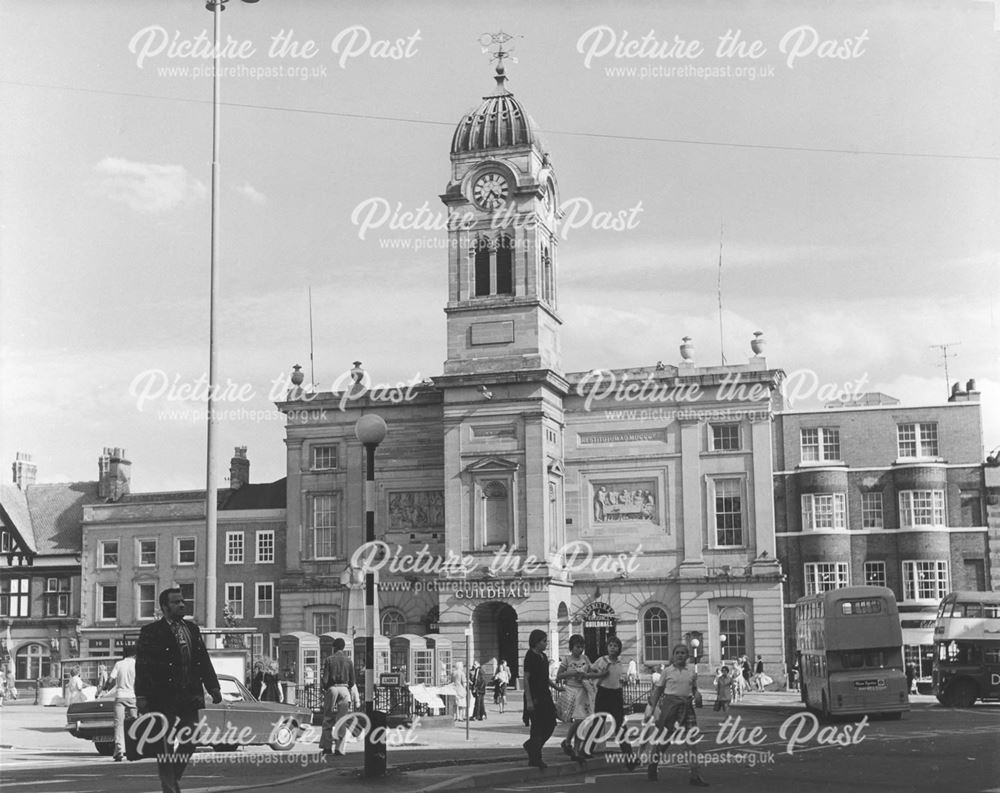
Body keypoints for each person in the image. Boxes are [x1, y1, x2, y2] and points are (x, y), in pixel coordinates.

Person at [135, 587, 222, 793]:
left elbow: (202, 660)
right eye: (176, 602)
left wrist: (213, 686)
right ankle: (170, 787)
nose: (182, 604)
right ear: (164, 607)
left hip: (189, 695)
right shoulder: (151, 632)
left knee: (190, 738)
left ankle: (171, 778)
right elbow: (143, 666)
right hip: (162, 696)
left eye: (182, 601)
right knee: (164, 744)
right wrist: (141, 696)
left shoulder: (192, 629)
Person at [644, 644, 708, 786]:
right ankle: (653, 765)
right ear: (673, 655)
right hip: (670, 708)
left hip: (687, 707)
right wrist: (651, 709)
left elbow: (694, 689)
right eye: (677, 652)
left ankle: (695, 775)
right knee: (665, 741)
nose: (680, 655)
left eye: (683, 653)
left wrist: (697, 694)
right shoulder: (667, 671)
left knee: (691, 742)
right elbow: (658, 692)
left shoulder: (691, 671)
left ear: (687, 656)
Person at [589, 636, 635, 767]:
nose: (613, 648)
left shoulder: (620, 663)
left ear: (619, 648)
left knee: (620, 727)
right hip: (603, 693)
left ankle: (629, 757)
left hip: (616, 695)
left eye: (615, 646)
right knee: (598, 724)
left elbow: (619, 678)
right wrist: (597, 677)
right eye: (610, 645)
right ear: (607, 647)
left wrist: (624, 682)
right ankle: (585, 751)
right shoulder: (601, 660)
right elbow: (591, 671)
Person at [522, 629, 564, 769]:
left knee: (550, 724)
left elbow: (545, 678)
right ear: (536, 642)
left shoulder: (544, 657)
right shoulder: (530, 656)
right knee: (537, 727)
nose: (546, 643)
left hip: (545, 695)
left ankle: (531, 746)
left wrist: (556, 688)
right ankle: (535, 758)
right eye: (544, 641)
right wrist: (528, 700)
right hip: (534, 696)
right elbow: (526, 679)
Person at [555, 634, 595, 760]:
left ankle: (576, 750)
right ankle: (567, 742)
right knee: (578, 720)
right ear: (571, 647)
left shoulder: (585, 658)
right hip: (572, 691)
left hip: (583, 691)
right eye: (577, 647)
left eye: (582, 647)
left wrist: (586, 674)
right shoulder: (567, 660)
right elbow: (559, 675)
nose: (580, 649)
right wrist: (570, 673)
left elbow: (592, 671)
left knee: (582, 721)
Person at [319, 637, 358, 756]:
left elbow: (325, 679)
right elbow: (353, 681)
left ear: (334, 647)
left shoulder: (329, 659)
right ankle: (339, 748)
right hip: (345, 689)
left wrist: (326, 689)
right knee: (341, 720)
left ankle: (327, 747)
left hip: (332, 688)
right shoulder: (349, 661)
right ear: (343, 647)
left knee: (328, 718)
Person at [108, 644, 137, 762]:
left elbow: (110, 680)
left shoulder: (119, 664)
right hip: (132, 696)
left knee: (118, 724)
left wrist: (105, 687)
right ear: (134, 654)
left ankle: (119, 751)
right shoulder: (136, 665)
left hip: (120, 696)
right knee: (135, 722)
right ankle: (135, 749)